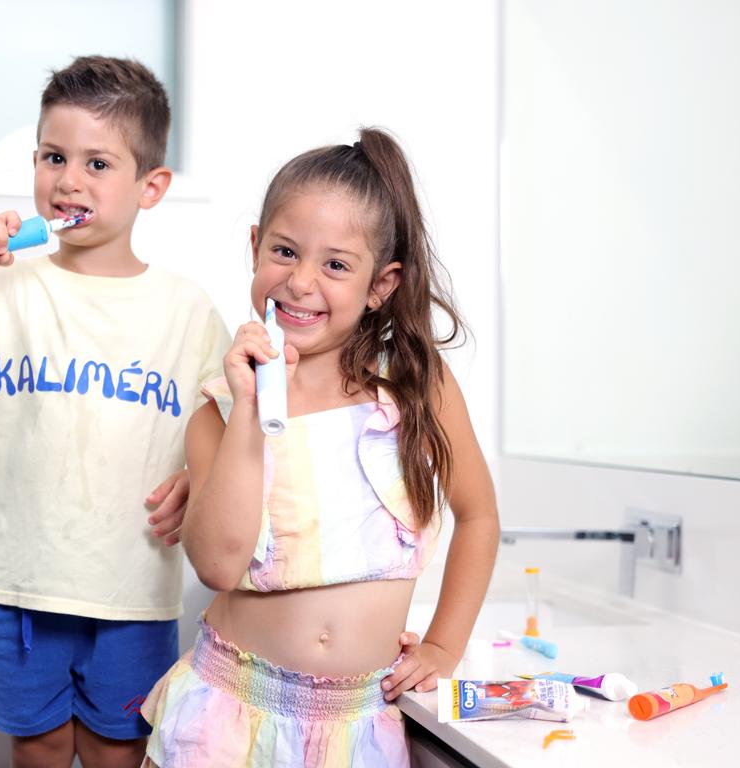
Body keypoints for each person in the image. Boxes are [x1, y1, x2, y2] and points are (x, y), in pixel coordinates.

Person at [0, 56, 229, 768]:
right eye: (55, 157)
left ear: (152, 186)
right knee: (42, 745)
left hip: (130, 589)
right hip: (18, 586)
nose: (69, 180)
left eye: (98, 163)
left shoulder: (189, 310)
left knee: (121, 749)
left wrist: (197, 481)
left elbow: (224, 437)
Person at [141, 128, 499, 767]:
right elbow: (218, 567)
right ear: (255, 247)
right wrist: (250, 405)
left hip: (359, 725)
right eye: (284, 251)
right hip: (230, 714)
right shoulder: (220, 407)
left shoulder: (416, 387)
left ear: (380, 285)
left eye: (336, 264)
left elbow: (479, 515)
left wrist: (445, 647)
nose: (301, 282)